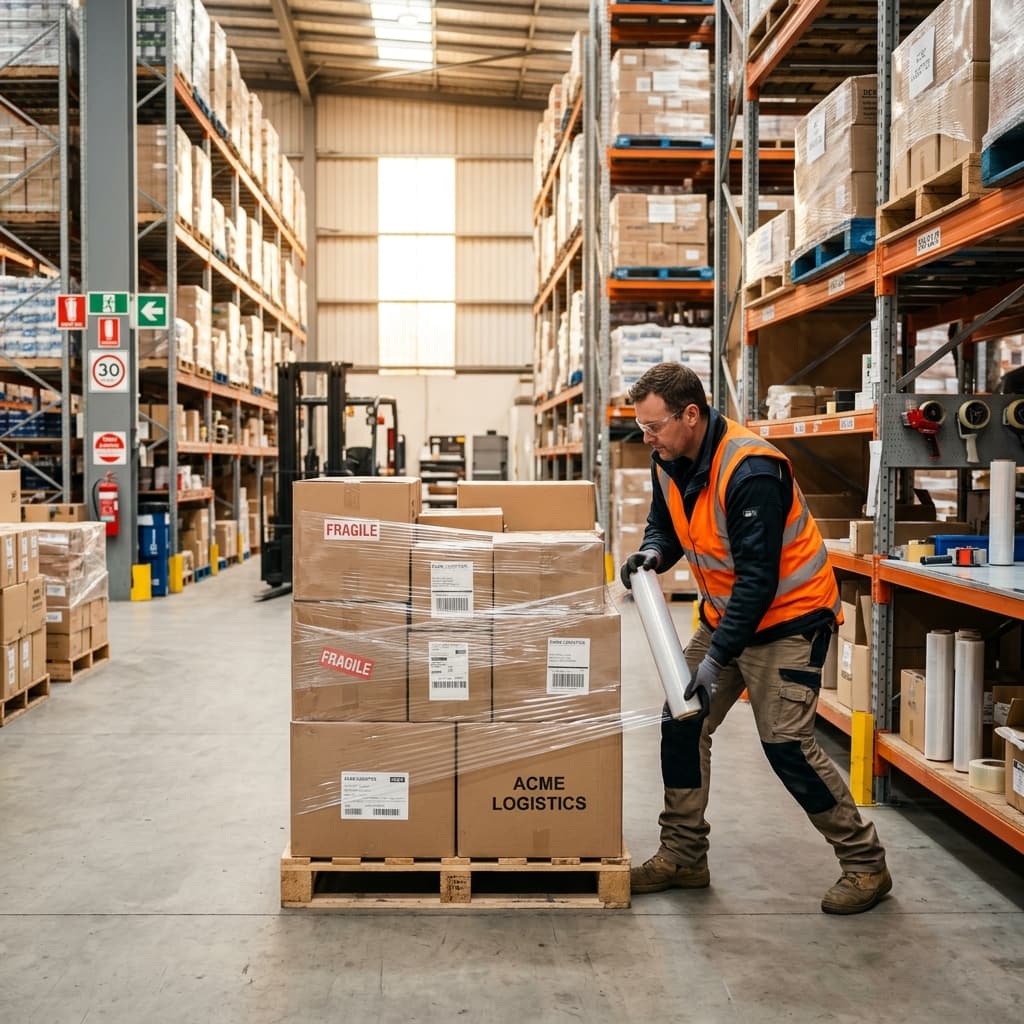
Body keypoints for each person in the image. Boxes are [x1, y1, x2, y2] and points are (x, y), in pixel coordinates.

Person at [619, 361, 891, 914]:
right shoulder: (669, 458)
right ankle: (684, 854)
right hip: (729, 618)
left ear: (690, 415)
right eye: (643, 428)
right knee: (681, 723)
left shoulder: (752, 470)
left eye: (654, 426)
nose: (646, 438)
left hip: (790, 621)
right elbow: (665, 526)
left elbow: (760, 579)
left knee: (786, 744)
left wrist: (716, 658)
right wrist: (652, 553)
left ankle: (865, 865)